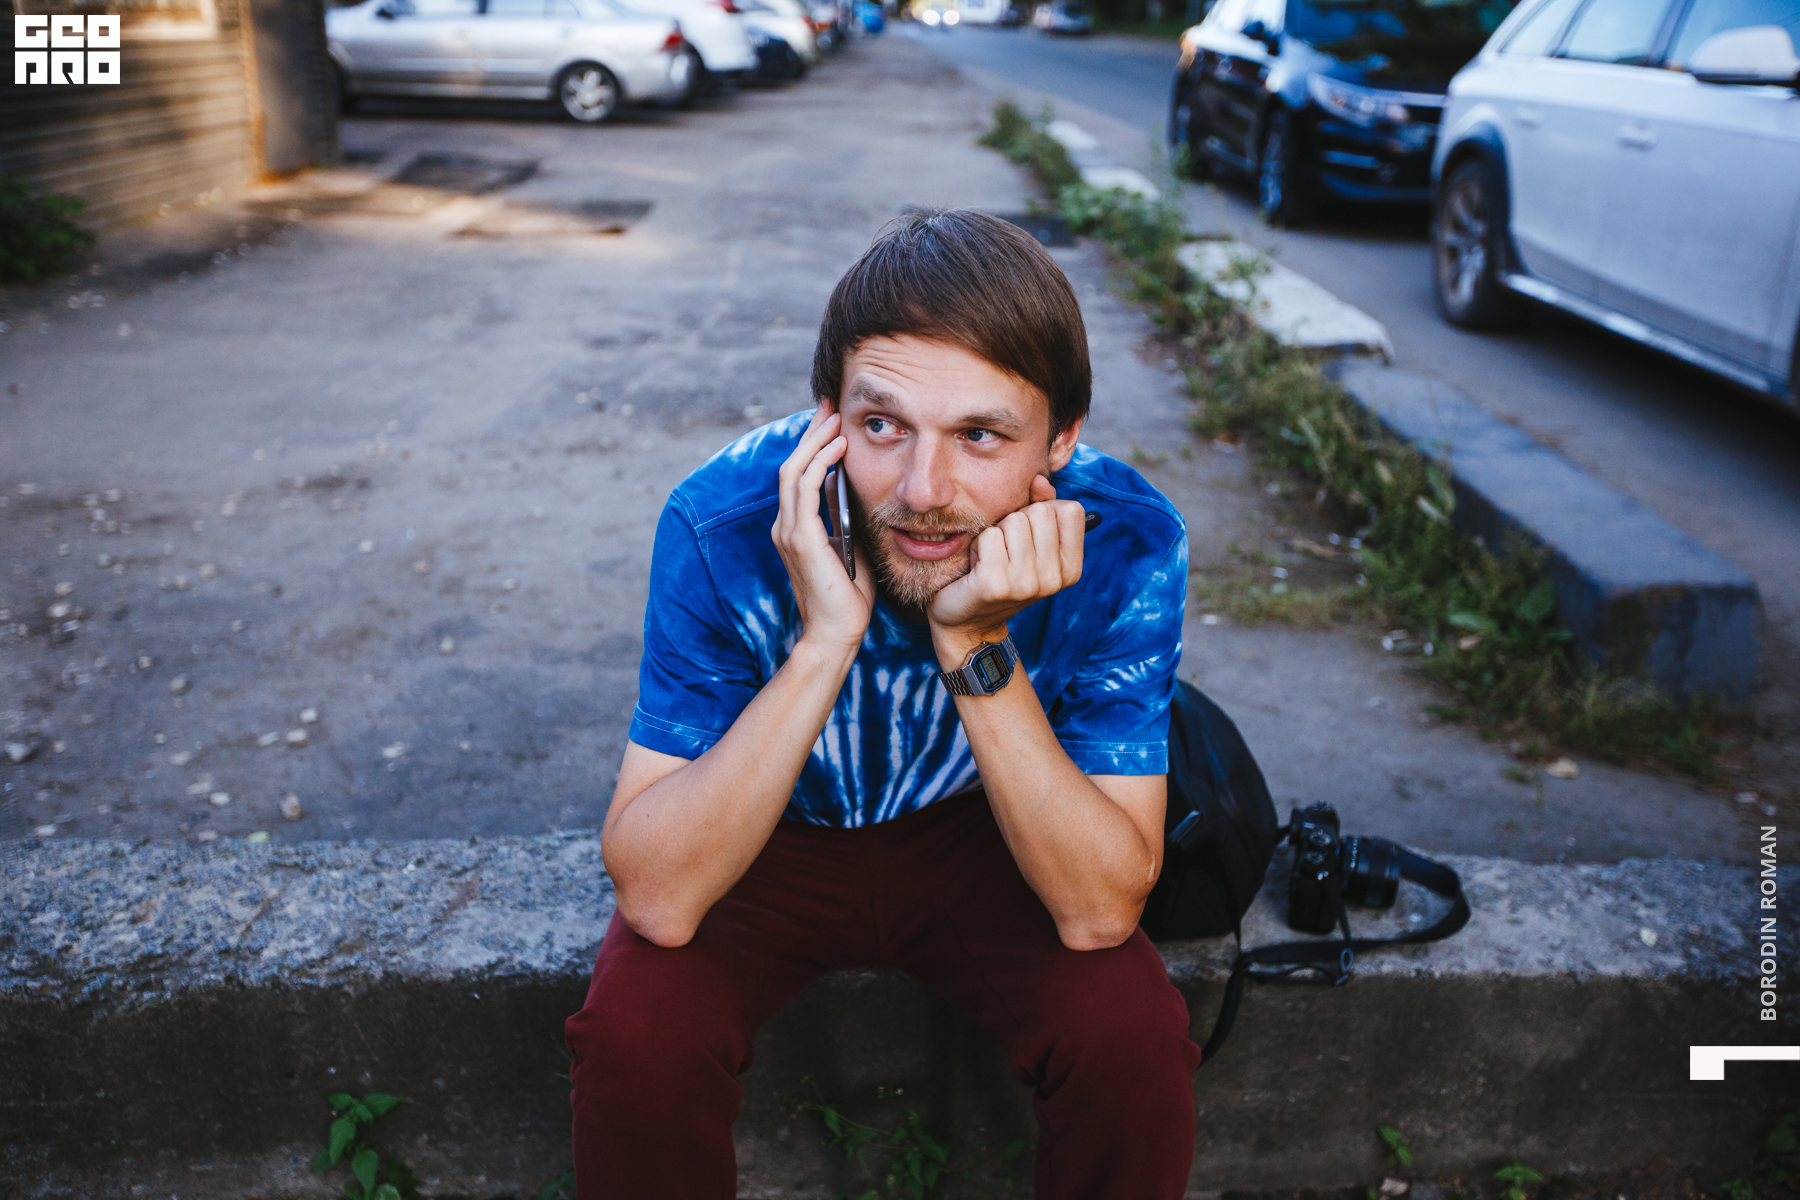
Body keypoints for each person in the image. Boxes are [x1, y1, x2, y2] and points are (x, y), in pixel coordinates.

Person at [564, 208, 1201, 1199]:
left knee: (1132, 1039)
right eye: (882, 425)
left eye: (980, 435)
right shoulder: (721, 522)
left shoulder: (1125, 542)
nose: (923, 487)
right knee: (635, 1037)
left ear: (1061, 440)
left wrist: (974, 643)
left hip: (986, 827)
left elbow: (1099, 911)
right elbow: (655, 896)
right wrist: (825, 640)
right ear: (829, 415)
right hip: (767, 831)